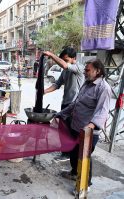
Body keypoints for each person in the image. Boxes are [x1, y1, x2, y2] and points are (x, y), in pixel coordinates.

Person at [55, 58, 111, 191]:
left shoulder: (104, 88)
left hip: (88, 131)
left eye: (87, 70)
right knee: (74, 153)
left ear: (97, 71)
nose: (85, 72)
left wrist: (90, 126)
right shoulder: (87, 83)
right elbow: (76, 103)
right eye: (85, 70)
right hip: (76, 126)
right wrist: (61, 113)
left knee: (85, 157)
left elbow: (102, 112)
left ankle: (85, 184)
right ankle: (74, 173)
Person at [43, 47, 85, 161]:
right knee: (62, 128)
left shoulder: (79, 68)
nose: (64, 62)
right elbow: (57, 84)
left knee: (71, 130)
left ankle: (70, 155)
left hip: (75, 104)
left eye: (66, 59)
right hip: (65, 103)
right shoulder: (65, 71)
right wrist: (44, 91)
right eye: (63, 60)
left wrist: (51, 55)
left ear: (74, 58)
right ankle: (65, 152)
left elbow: (65, 65)